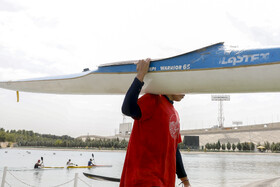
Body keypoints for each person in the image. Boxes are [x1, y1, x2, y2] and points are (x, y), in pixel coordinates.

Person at [120, 58, 190, 187]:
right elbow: (127, 109)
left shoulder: (174, 112)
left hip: (165, 181)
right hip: (144, 179)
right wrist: (141, 75)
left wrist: (185, 181)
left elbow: (174, 150)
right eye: (181, 85)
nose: (185, 91)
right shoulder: (153, 99)